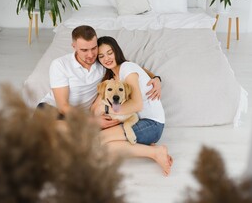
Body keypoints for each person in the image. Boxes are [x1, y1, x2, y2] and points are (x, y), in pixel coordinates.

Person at [38, 25, 161, 127]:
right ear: (74, 47)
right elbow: (63, 106)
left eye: (94, 48)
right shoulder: (60, 65)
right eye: (84, 50)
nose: (91, 55)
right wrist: (92, 121)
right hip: (53, 109)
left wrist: (156, 78)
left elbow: (129, 65)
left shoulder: (102, 62)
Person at [91, 36, 173, 176]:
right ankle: (147, 148)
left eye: (110, 53)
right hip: (139, 123)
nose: (107, 58)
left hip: (152, 125)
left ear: (117, 51)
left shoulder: (126, 68)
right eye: (101, 56)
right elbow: (94, 108)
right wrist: (156, 78)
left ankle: (155, 152)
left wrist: (106, 109)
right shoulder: (115, 78)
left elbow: (137, 104)